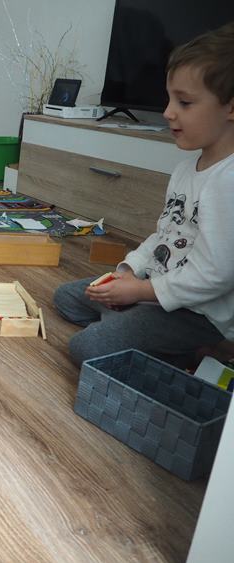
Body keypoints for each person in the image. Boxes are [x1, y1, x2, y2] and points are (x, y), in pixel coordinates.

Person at [54, 22, 234, 368]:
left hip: (196, 315)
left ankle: (200, 349)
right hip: (155, 288)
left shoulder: (228, 181)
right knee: (68, 298)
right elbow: (164, 234)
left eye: (184, 102)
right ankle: (130, 326)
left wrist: (137, 292)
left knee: (86, 348)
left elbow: (214, 276)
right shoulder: (186, 170)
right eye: (169, 99)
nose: (168, 112)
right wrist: (129, 270)